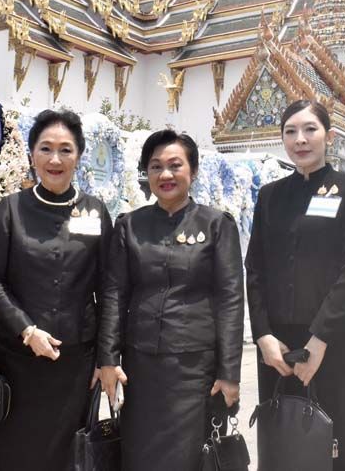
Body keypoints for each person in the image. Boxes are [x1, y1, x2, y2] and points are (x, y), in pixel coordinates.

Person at [99, 130, 244, 471]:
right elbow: (114, 294)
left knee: (192, 458)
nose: (165, 174)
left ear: (193, 171)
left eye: (175, 165)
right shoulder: (129, 226)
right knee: (139, 457)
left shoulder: (216, 225)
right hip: (140, 369)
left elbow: (230, 300)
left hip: (195, 371)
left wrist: (229, 372)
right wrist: (108, 359)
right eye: (155, 166)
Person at [0, 109, 111, 471]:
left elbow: (109, 289)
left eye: (66, 150)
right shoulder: (10, 210)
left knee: (70, 455)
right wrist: (26, 329)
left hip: (77, 360)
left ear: (79, 156)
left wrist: (106, 357)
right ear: (32, 154)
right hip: (19, 357)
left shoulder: (96, 212)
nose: (55, 159)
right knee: (17, 452)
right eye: (46, 148)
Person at [245, 99, 345, 471]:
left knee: (338, 443)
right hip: (279, 348)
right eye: (291, 132)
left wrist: (319, 339)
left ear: (329, 136)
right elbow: (255, 270)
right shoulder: (270, 195)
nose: (300, 139)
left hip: (333, 340)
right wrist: (263, 336)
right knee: (284, 444)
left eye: (310, 129)